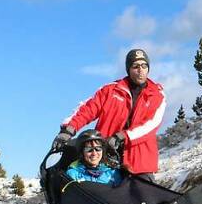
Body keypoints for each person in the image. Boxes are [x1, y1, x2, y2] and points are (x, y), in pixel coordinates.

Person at [52, 49, 166, 181]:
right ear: (128, 69)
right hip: (107, 157)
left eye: (144, 65)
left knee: (145, 197)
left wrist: (123, 136)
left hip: (139, 161)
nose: (140, 70)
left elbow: (150, 125)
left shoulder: (157, 95)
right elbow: (87, 109)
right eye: (135, 66)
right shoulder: (110, 90)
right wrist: (69, 129)